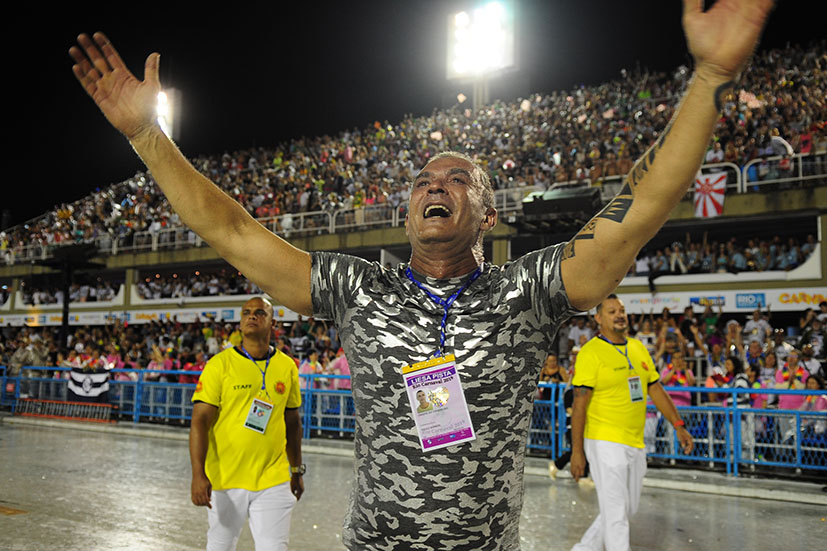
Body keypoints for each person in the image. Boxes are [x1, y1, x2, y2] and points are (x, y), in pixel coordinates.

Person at [70, 3, 772, 548]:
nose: (434, 184)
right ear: (406, 213)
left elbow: (641, 207)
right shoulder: (357, 287)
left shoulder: (524, 291)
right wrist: (145, 137)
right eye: (421, 179)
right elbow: (229, 230)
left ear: (487, 211)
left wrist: (710, 76)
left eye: (457, 178)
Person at [570, 295, 693, 551]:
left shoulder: (638, 348)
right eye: (612, 311)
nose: (619, 315)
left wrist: (678, 425)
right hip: (604, 440)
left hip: (635, 441)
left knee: (625, 508)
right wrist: (577, 451)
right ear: (599, 318)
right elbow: (579, 404)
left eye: (622, 310)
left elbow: (656, 389)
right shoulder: (590, 353)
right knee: (616, 514)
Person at [189, 297, 304, 550]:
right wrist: (198, 474)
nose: (252, 316)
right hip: (226, 479)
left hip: (272, 478)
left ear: (273, 322)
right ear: (240, 323)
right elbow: (199, 421)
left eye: (260, 313)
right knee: (220, 547)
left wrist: (296, 470)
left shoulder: (287, 366)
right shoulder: (219, 365)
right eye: (246, 313)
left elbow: (292, 421)